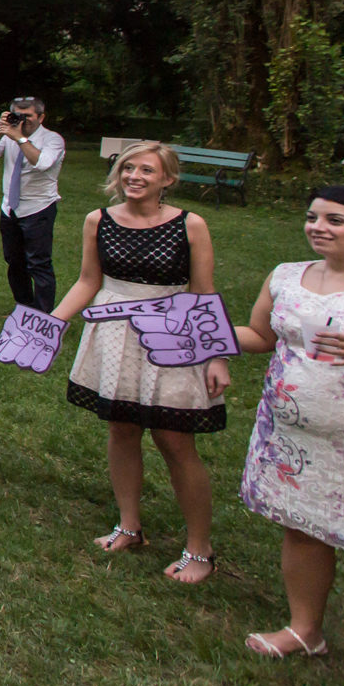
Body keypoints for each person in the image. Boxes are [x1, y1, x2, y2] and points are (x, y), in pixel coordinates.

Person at [52, 142, 225, 581]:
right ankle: (129, 526)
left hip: (171, 334)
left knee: (175, 440)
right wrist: (50, 324)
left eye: (147, 170)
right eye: (128, 167)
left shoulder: (191, 225)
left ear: (167, 179)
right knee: (122, 429)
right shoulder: (99, 221)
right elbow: (88, 280)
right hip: (113, 333)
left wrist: (216, 355)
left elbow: (203, 293)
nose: (134, 176)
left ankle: (200, 550)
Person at [235, 184, 344, 657]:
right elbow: (261, 335)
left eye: (335, 220)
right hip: (295, 439)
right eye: (312, 217)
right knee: (303, 528)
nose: (318, 228)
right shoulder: (286, 275)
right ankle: (306, 632)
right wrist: (204, 332)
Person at [0, 96, 66, 313]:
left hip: (38, 208)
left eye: (28, 116)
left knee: (38, 264)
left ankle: (43, 315)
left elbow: (43, 163)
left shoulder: (53, 140)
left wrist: (20, 139)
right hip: (9, 209)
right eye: (18, 115)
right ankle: (24, 308)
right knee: (14, 262)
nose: (23, 121)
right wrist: (1, 132)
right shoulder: (9, 135)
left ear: (41, 117)